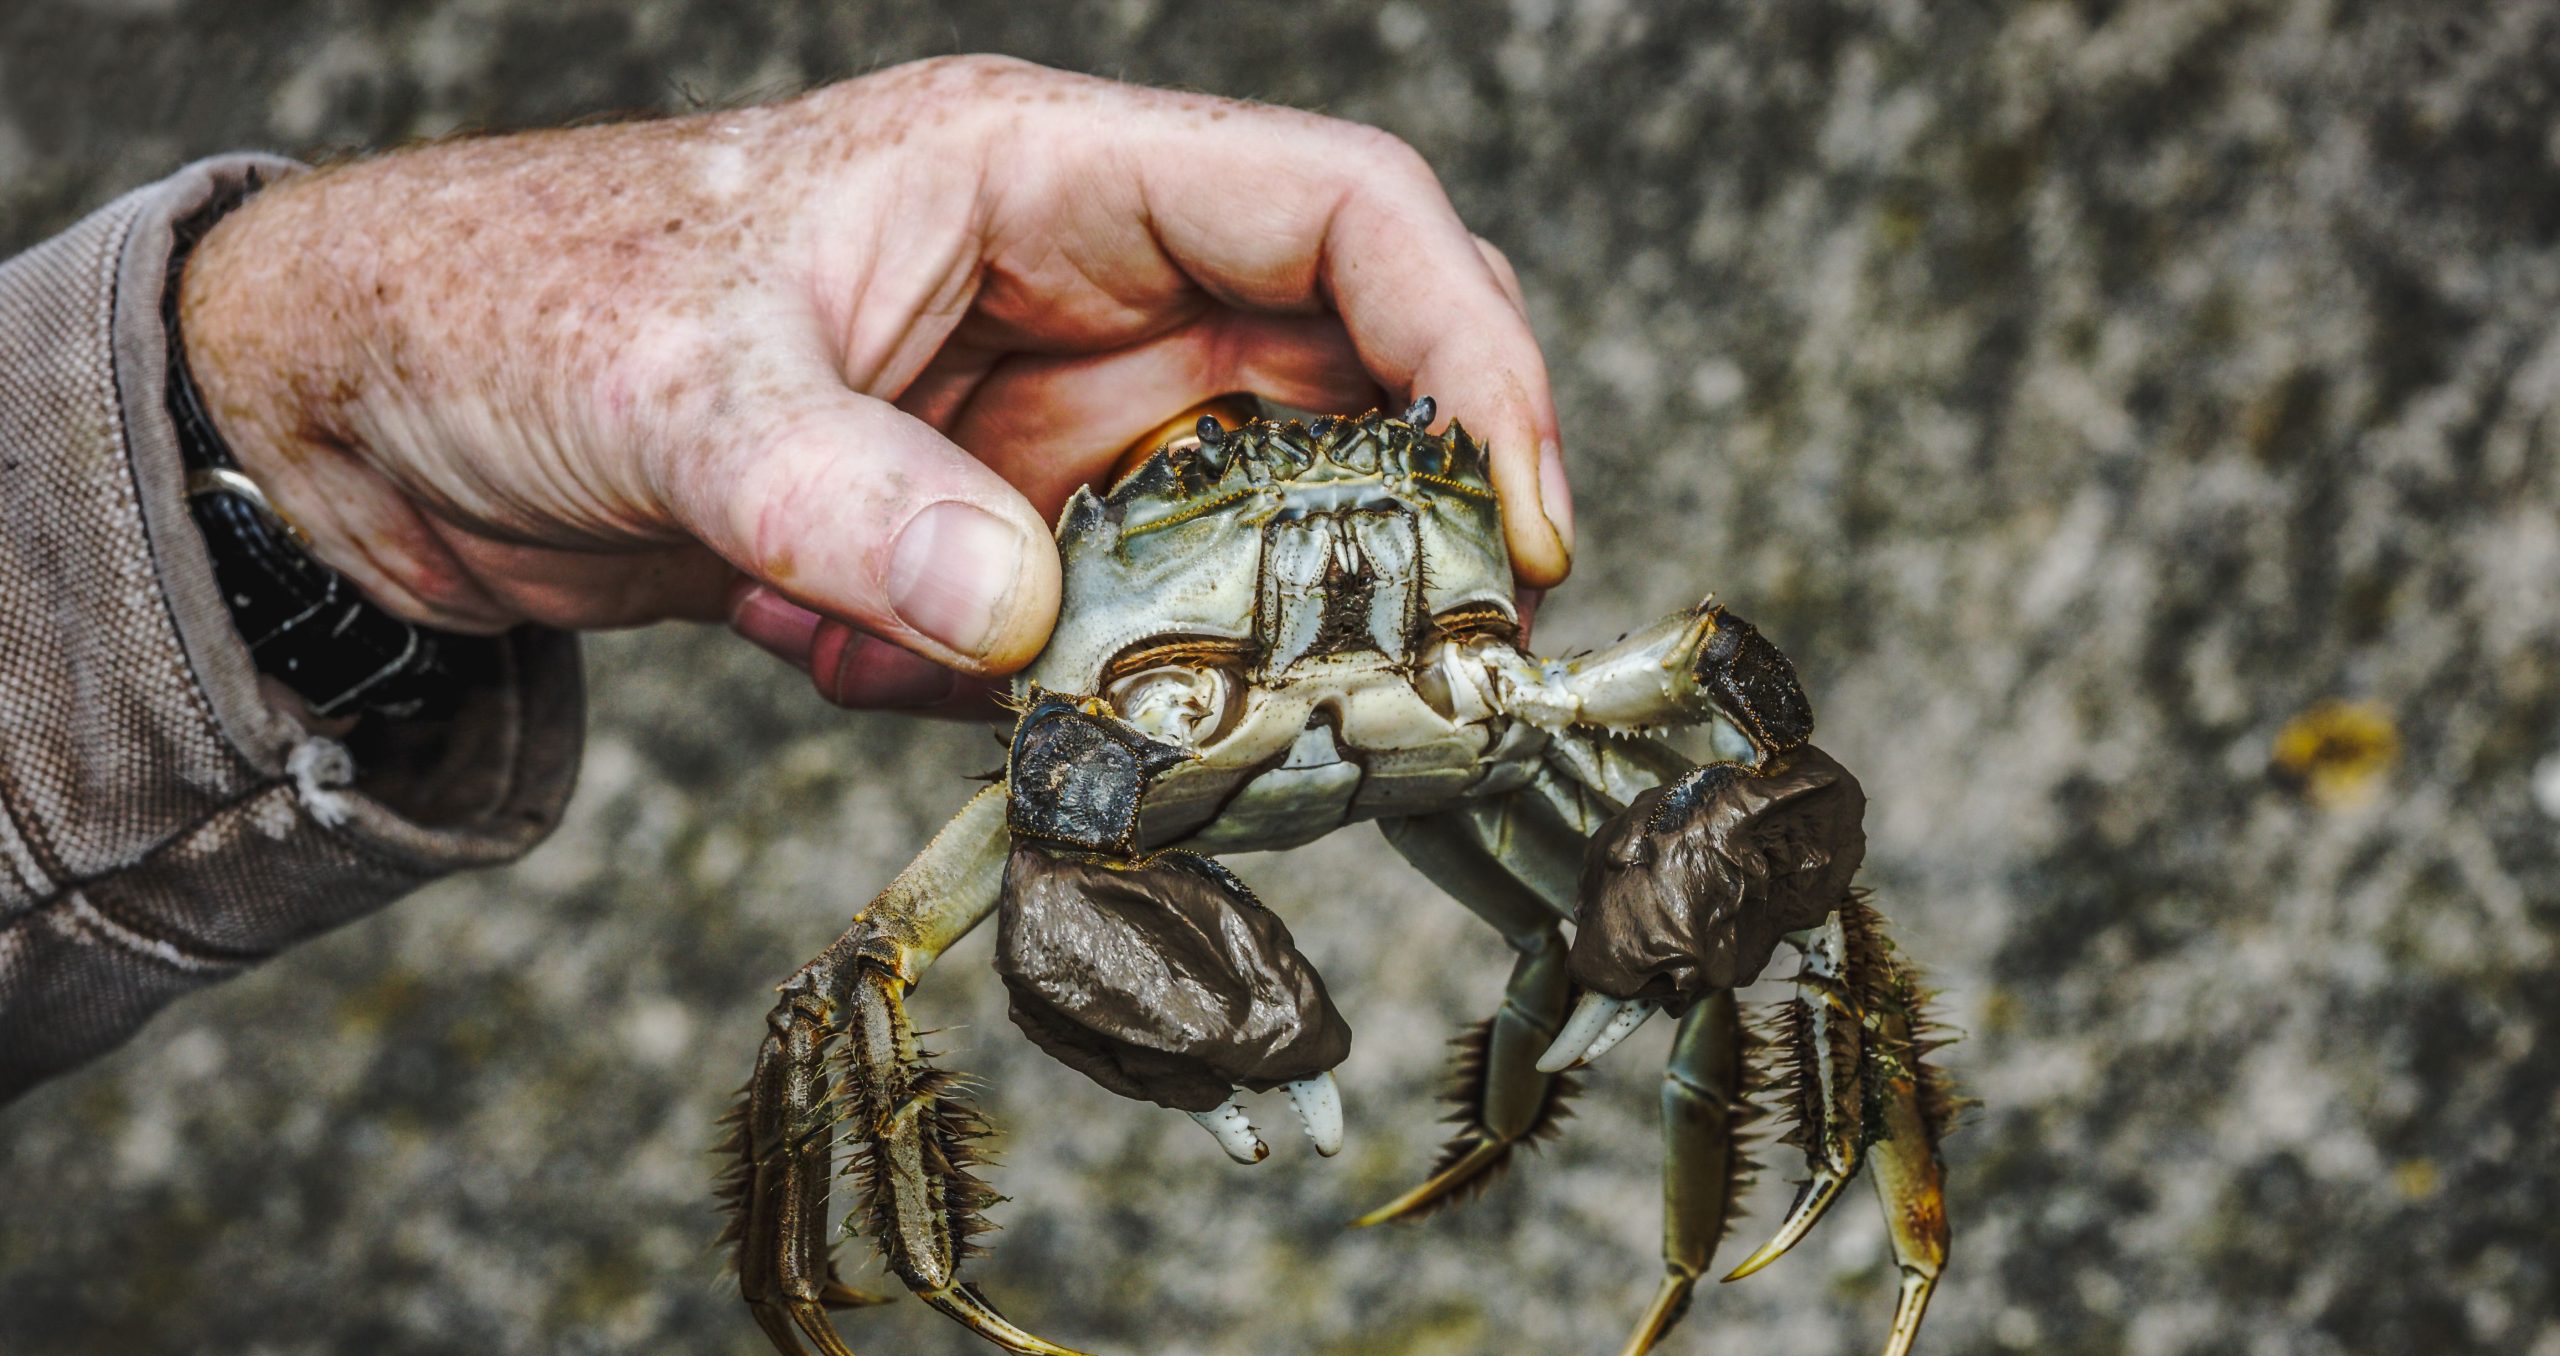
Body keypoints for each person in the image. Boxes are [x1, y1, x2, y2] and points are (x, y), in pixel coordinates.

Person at [0, 55, 1572, 1099]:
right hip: (1125, 748)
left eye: (1418, 467)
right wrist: (290, 409)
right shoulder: (1058, 686)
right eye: (1204, 499)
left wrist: (272, 457)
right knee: (854, 997)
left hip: (1425, 724)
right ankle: (890, 1278)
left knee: (1700, 818)